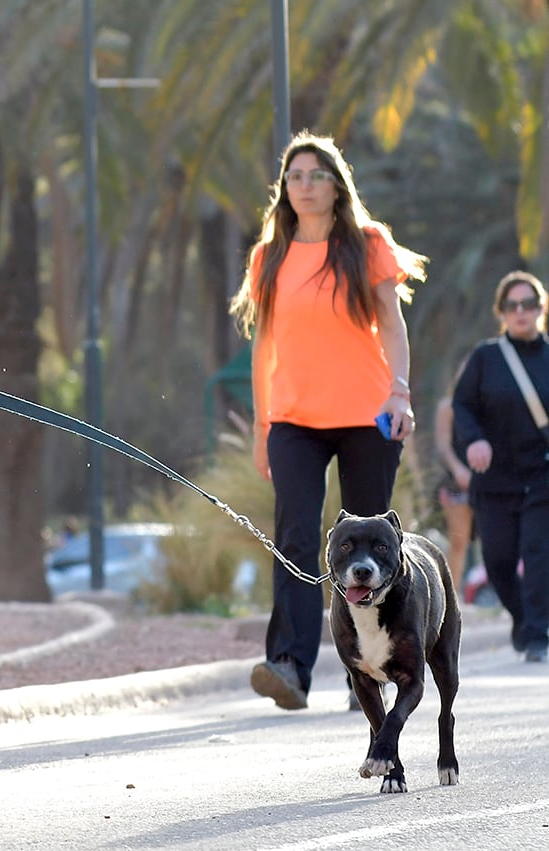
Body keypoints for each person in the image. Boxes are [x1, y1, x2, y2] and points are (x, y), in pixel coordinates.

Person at [228, 131, 429, 711]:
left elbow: (392, 323)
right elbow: (264, 346)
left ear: (337, 185)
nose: (305, 185)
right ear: (283, 190)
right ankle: (288, 664)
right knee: (294, 536)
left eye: (317, 175)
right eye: (295, 176)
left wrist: (400, 392)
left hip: (368, 416)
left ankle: (365, 669)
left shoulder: (367, 243)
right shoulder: (270, 256)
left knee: (369, 546)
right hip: (293, 419)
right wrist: (265, 427)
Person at [450, 270, 549, 664]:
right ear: (502, 312)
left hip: (542, 475)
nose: (521, 312)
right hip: (494, 479)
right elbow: (462, 406)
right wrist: (474, 439)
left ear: (541, 308)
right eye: (512, 305)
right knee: (499, 560)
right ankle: (525, 619)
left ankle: (538, 633)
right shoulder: (485, 358)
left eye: (529, 304)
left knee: (538, 552)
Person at [434, 388, 474, 591]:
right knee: (459, 542)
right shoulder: (448, 407)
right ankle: (450, 595)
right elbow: (443, 447)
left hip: (489, 482)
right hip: (455, 484)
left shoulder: (488, 404)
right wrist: (458, 470)